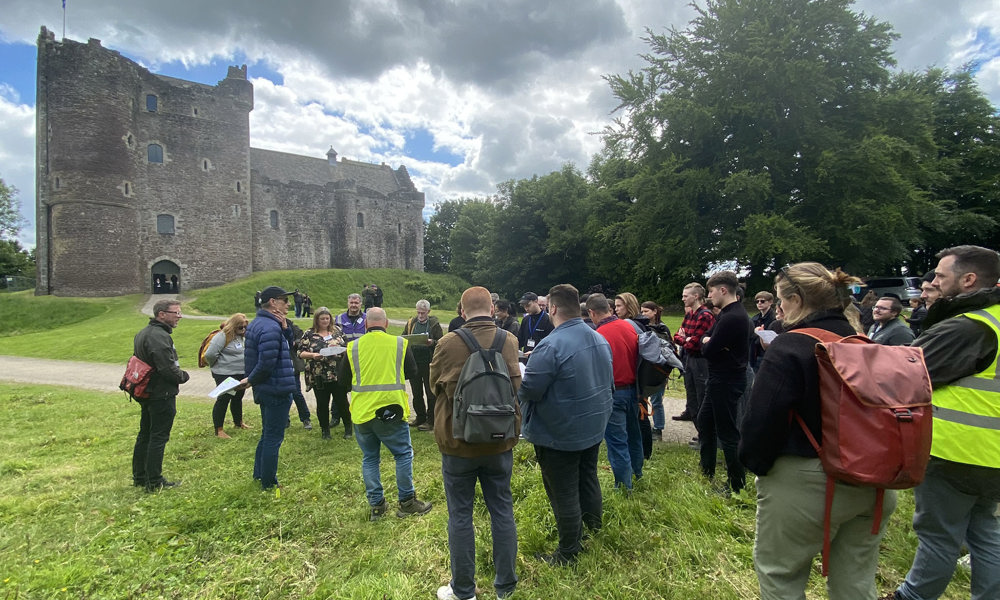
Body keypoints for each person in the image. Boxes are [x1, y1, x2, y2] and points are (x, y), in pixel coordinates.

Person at [739, 262, 897, 599]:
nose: (777, 308)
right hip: (876, 478)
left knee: (780, 575)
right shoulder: (864, 341)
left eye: (781, 299)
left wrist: (758, 466)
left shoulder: (791, 344)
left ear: (796, 300)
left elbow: (761, 421)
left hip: (809, 478)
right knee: (855, 582)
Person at [888, 245, 1000, 600]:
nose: (932, 281)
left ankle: (913, 596)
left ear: (968, 280)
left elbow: (904, 374)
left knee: (938, 536)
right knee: (984, 531)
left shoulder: (968, 327)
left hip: (956, 449)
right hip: (992, 456)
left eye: (940, 275)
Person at [430, 287, 521, 600]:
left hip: (458, 444)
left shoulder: (448, 343)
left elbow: (434, 387)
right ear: (493, 308)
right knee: (502, 510)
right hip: (500, 442)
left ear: (461, 310)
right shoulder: (509, 341)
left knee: (460, 515)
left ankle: (464, 590)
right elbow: (515, 386)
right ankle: (505, 588)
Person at [520, 284, 613, 565]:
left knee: (563, 492)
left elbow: (530, 390)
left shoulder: (551, 344)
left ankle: (568, 551)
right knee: (587, 478)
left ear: (553, 309)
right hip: (593, 425)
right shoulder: (598, 337)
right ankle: (594, 528)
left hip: (559, 432)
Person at [340, 308, 432, 521]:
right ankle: (408, 502)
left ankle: (377, 507)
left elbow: (343, 381)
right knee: (402, 454)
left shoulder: (352, 347)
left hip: (363, 413)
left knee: (370, 458)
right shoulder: (399, 343)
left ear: (365, 325)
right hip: (391, 412)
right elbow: (412, 372)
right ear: (387, 324)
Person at [698, 271, 750, 495]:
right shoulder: (726, 314)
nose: (709, 296)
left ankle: (736, 483)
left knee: (727, 433)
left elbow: (708, 349)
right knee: (705, 421)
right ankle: (706, 469)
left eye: (710, 291)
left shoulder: (733, 317)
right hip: (718, 378)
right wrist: (707, 341)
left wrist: (708, 342)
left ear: (723, 290)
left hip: (727, 380)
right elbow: (705, 339)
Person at [131, 299, 190, 492]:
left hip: (147, 391)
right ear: (162, 314)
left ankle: (140, 476)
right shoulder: (159, 336)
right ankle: (154, 481)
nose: (179, 317)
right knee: (157, 437)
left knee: (145, 434)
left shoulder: (144, 333)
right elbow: (166, 367)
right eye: (176, 313)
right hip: (160, 393)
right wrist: (183, 377)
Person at [588, 293, 643, 490]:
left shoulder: (598, 335)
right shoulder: (628, 326)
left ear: (592, 312)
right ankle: (638, 474)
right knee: (634, 435)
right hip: (633, 390)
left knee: (617, 441)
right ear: (609, 309)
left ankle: (623, 486)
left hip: (613, 393)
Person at [244, 286, 297, 490]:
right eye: (284, 300)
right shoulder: (269, 328)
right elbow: (266, 363)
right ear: (273, 302)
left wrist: (285, 329)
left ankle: (259, 474)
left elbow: (284, 347)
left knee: (267, 434)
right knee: (274, 437)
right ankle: (269, 482)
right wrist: (251, 379)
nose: (288, 304)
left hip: (267, 388)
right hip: (276, 388)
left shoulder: (261, 324)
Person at [298, 307, 351, 440]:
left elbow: (347, 346)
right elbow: (300, 353)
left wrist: (342, 350)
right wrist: (313, 355)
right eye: (322, 318)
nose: (325, 321)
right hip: (319, 375)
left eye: (327, 318)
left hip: (337, 373)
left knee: (342, 402)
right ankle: (325, 430)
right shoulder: (309, 334)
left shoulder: (337, 331)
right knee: (322, 403)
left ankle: (348, 428)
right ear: (316, 319)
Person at [204, 313, 252, 438]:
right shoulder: (222, 336)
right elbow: (210, 355)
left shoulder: (241, 337)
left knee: (238, 397)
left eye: (245, 327)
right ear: (233, 326)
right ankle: (219, 430)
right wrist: (219, 366)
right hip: (224, 374)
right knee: (224, 399)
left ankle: (238, 422)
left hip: (240, 373)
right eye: (240, 327)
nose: (243, 330)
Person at [673, 283, 714, 426]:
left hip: (700, 361)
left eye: (685, 296)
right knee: (691, 396)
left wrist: (685, 339)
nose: (683, 299)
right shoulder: (690, 314)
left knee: (701, 395)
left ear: (695, 296)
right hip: (689, 358)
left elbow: (695, 344)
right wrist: (686, 339)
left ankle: (706, 432)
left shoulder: (705, 316)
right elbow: (676, 336)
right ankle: (700, 429)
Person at [403, 299, 445, 431]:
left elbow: (441, 342)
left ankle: (431, 419)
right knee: (416, 391)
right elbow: (404, 336)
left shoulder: (434, 324)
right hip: (414, 362)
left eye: (423, 313)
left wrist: (431, 342)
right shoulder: (411, 322)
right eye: (418, 312)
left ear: (429, 311)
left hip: (428, 362)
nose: (420, 315)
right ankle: (420, 417)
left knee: (430, 391)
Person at [641, 301, 673, 441]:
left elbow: (669, 349)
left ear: (655, 311)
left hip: (659, 370)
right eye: (642, 311)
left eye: (646, 311)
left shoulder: (663, 328)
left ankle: (658, 428)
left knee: (656, 400)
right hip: (645, 369)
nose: (643, 314)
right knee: (643, 399)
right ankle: (644, 424)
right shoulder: (642, 326)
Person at [287, 320, 313, 430]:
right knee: (283, 394)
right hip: (278, 365)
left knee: (296, 393)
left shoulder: (291, 326)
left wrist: (295, 342)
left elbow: (301, 339)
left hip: (292, 363)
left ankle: (305, 418)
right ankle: (284, 420)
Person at [750, 291, 776, 371]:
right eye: (757, 301)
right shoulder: (755, 318)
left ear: (770, 302)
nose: (759, 303)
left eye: (762, 301)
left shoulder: (774, 318)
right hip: (754, 353)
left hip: (766, 354)